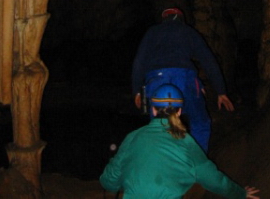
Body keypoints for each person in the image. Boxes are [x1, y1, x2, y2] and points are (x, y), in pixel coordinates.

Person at [100, 84, 259, 199]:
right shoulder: (186, 141)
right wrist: (240, 193)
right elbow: (213, 179)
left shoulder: (133, 137)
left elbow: (109, 181)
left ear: (153, 110)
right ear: (180, 111)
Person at [132, 7, 234, 152]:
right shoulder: (189, 32)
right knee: (200, 121)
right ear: (181, 19)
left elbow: (139, 61)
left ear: (164, 19)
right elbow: (208, 60)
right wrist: (221, 91)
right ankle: (196, 162)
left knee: (159, 124)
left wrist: (136, 90)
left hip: (156, 79)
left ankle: (162, 163)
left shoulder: (153, 32)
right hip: (185, 77)